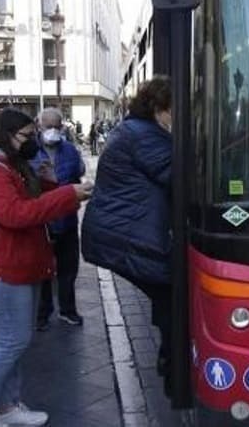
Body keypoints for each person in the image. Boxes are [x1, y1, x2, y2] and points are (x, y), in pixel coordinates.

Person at [0, 109, 92, 427]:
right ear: (7, 136)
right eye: (27, 135)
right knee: (10, 342)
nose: (34, 140)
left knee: (13, 341)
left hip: (19, 266)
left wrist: (51, 182)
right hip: (3, 271)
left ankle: (7, 407)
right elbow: (15, 214)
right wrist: (64, 194)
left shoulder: (11, 167)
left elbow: (30, 200)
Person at [81, 77, 173, 381]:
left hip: (119, 231)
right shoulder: (145, 136)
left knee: (167, 291)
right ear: (159, 108)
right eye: (174, 110)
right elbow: (177, 175)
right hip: (128, 233)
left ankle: (170, 355)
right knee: (171, 290)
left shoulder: (134, 130)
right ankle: (172, 362)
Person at [30, 108, 87, 330]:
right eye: (48, 126)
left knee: (68, 269)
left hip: (67, 219)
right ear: (39, 125)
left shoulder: (70, 150)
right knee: (42, 270)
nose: (52, 131)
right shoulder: (31, 151)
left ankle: (67, 310)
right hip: (42, 220)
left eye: (56, 126)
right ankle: (42, 313)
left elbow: (79, 172)